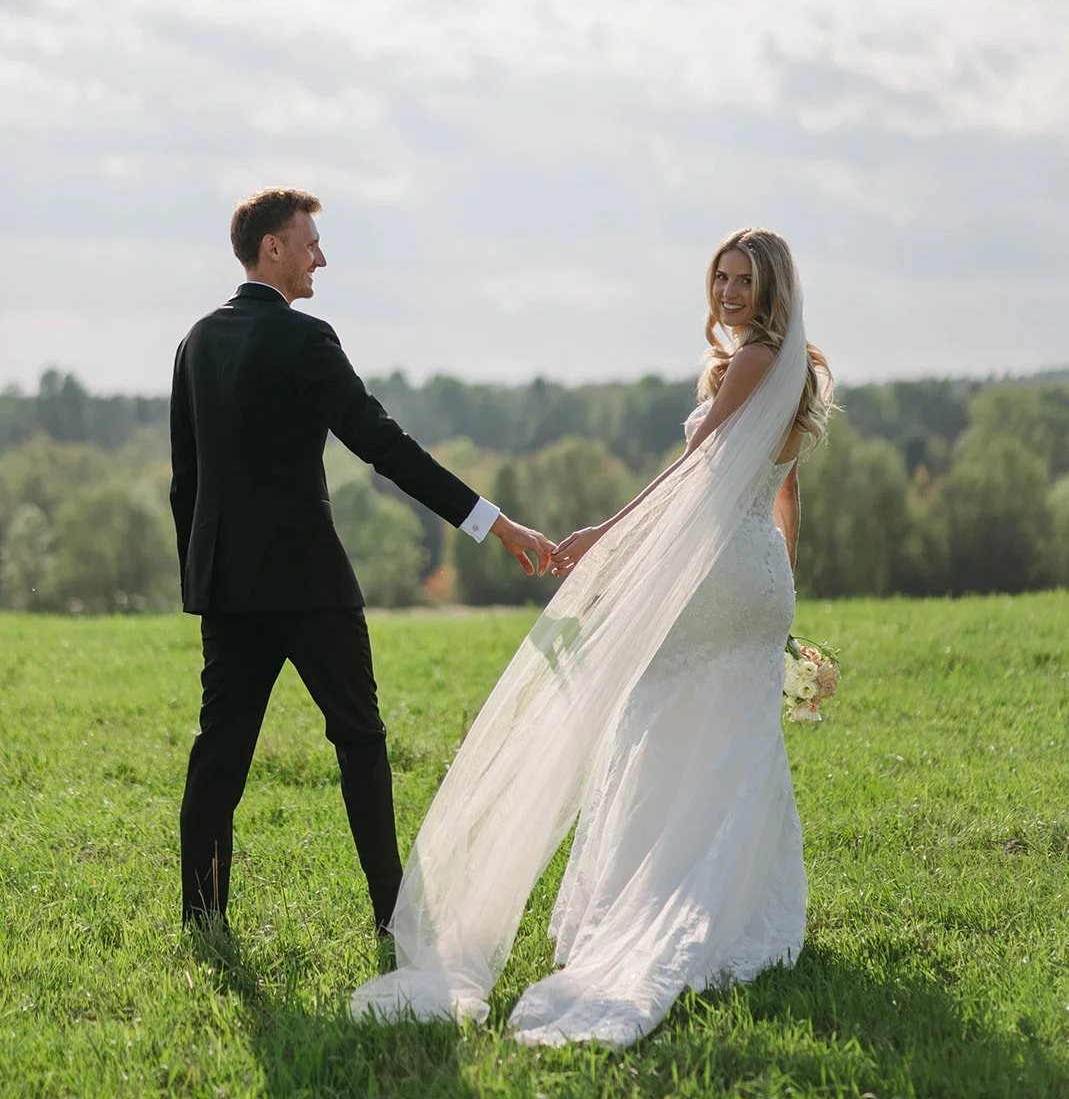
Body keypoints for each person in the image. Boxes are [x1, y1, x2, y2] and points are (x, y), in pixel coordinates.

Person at [350, 227, 833, 1045]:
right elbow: (783, 495)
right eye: (718, 277)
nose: (725, 292)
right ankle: (737, 906)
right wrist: (781, 580)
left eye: (742, 279)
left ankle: (663, 908)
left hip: (718, 576)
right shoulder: (792, 368)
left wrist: (600, 537)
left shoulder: (755, 359)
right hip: (751, 577)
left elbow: (691, 473)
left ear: (770, 286)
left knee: (656, 719)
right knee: (733, 736)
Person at [170, 187, 553, 937]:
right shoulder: (304, 338)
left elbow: (185, 480)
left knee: (220, 750)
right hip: (309, 582)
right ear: (271, 248)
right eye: (308, 241)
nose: (321, 256)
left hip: (227, 586)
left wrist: (203, 576)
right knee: (360, 739)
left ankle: (201, 918)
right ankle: (391, 917)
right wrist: (492, 521)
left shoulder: (194, 342)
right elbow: (381, 444)